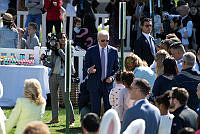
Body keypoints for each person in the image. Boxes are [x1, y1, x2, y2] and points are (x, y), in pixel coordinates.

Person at [41, 32, 75, 125]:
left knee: (66, 98)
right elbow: (51, 65)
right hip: (53, 76)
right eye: (61, 38)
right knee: (54, 98)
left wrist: (59, 49)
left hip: (64, 76)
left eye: (64, 37)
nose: (63, 40)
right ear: (58, 40)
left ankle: (71, 120)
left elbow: (67, 59)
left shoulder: (70, 48)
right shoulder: (54, 50)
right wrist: (44, 60)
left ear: (67, 38)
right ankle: (55, 118)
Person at [83, 30, 120, 116]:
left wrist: (112, 77)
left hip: (108, 84)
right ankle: (95, 128)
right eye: (103, 40)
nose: (105, 42)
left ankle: (108, 128)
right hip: (95, 83)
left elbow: (117, 68)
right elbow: (85, 67)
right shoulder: (91, 50)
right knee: (95, 109)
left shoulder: (113, 51)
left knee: (109, 109)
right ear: (98, 40)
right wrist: (89, 70)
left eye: (107, 40)